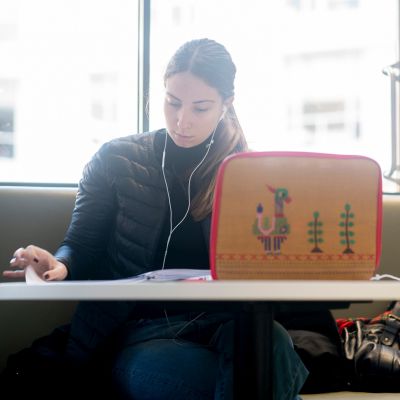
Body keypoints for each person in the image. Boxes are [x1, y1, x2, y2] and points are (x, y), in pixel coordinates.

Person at [2, 38, 308, 399]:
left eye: (201, 108)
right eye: (173, 102)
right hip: (134, 333)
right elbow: (81, 244)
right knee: (257, 379)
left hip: (221, 324)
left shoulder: (247, 174)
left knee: (271, 343)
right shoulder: (116, 159)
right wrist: (58, 263)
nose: (182, 121)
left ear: (226, 106)